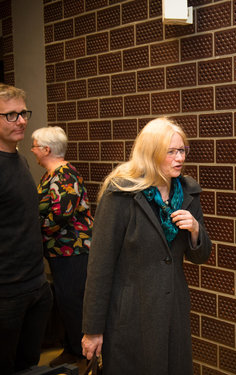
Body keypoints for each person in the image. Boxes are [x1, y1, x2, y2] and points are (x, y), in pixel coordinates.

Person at [81, 117, 212, 374]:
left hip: (172, 311)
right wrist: (93, 329)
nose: (180, 158)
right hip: (130, 315)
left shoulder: (187, 193)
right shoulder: (120, 194)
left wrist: (195, 230)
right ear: (151, 153)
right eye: (171, 151)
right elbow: (100, 266)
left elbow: (200, 256)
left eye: (183, 150)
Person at [0, 84, 53, 373]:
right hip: (6, 293)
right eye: (10, 115)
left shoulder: (19, 159)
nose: (21, 120)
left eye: (23, 113)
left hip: (35, 287)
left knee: (29, 366)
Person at [31, 126, 93, 367]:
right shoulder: (50, 174)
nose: (32, 150)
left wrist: (31, 231)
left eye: (35, 146)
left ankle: (81, 357)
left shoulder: (65, 175)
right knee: (65, 302)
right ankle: (71, 350)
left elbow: (60, 216)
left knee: (72, 301)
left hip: (74, 251)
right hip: (60, 252)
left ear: (46, 149)